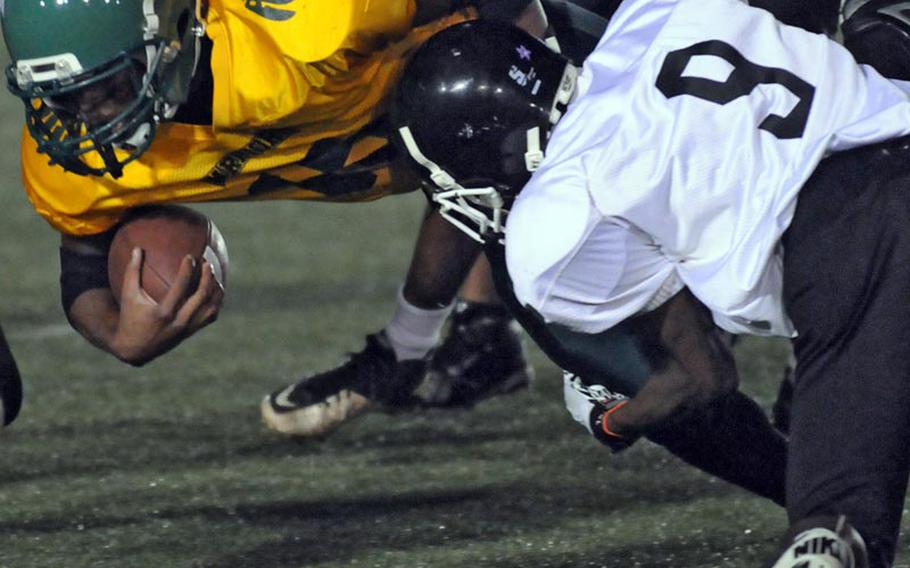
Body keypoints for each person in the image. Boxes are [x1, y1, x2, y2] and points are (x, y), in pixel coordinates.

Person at [389, 3, 910, 565]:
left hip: (850, 241)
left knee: (833, 529)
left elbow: (700, 377)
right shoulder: (648, 13)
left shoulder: (551, 225)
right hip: (888, 135)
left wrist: (616, 418)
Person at [0, 0, 550, 438]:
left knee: (463, 99)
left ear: (166, 35)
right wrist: (118, 336)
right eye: (66, 99)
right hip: (403, 143)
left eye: (111, 88)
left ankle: (429, 345)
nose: (95, 119)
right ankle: (460, 342)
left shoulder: (306, 24)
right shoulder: (73, 156)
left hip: (477, 86)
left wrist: (536, 100)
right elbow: (83, 259)